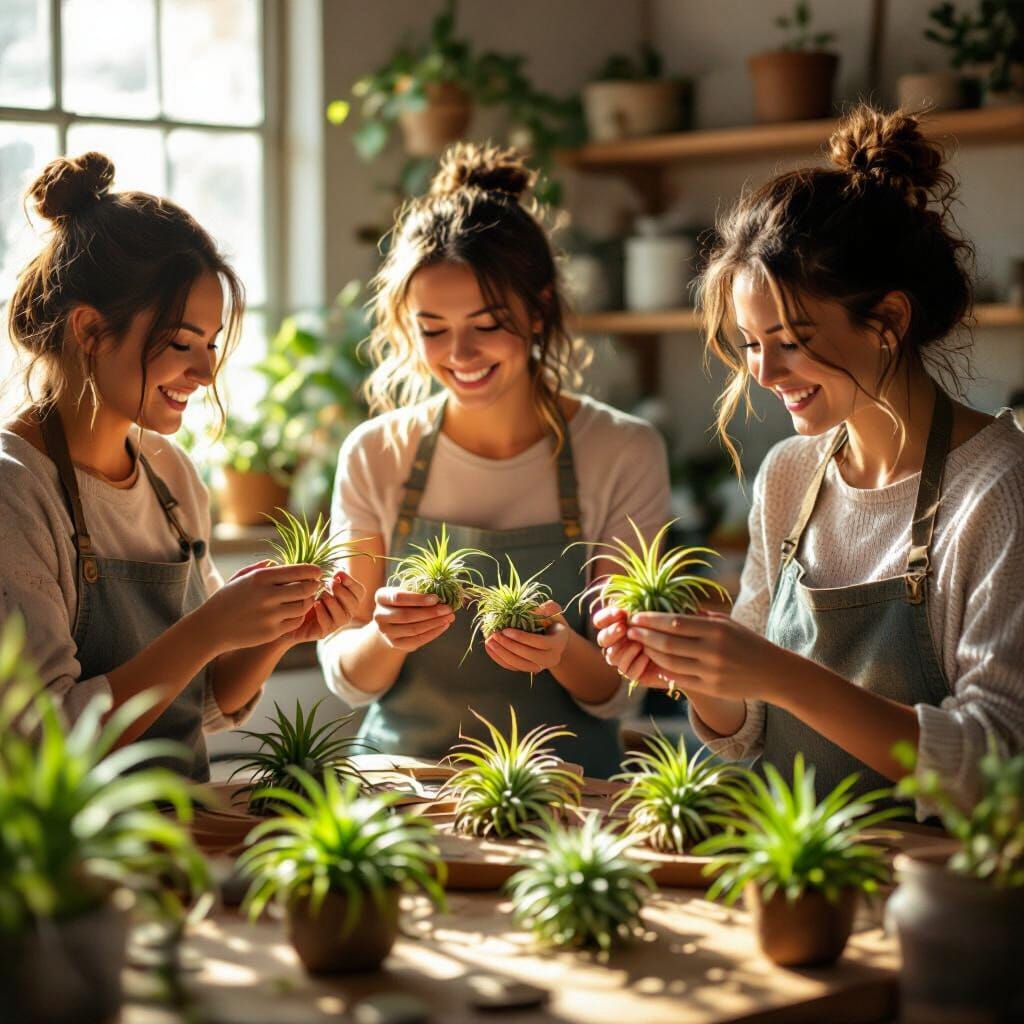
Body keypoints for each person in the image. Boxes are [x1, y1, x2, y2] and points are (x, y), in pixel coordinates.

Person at [594, 106, 1024, 812]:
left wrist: (779, 672)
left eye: (791, 340)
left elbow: (997, 768)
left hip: (935, 897)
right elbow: (747, 732)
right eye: (751, 342)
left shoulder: (999, 491)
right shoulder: (791, 474)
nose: (764, 372)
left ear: (887, 321)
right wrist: (700, 670)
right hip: (794, 875)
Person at [0, 152, 363, 781]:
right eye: (180, 343)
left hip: (183, 842)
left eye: (212, 343)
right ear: (89, 330)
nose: (205, 373)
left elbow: (205, 704)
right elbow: (40, 743)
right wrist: (207, 629)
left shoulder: (170, 472)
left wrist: (275, 631)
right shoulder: (16, 489)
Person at [318, 143, 670, 778]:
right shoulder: (376, 453)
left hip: (567, 794)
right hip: (401, 789)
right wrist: (385, 637)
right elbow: (348, 676)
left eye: (487, 323)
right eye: (432, 328)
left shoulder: (621, 450)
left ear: (538, 311)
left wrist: (562, 650)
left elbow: (623, 687)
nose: (460, 353)